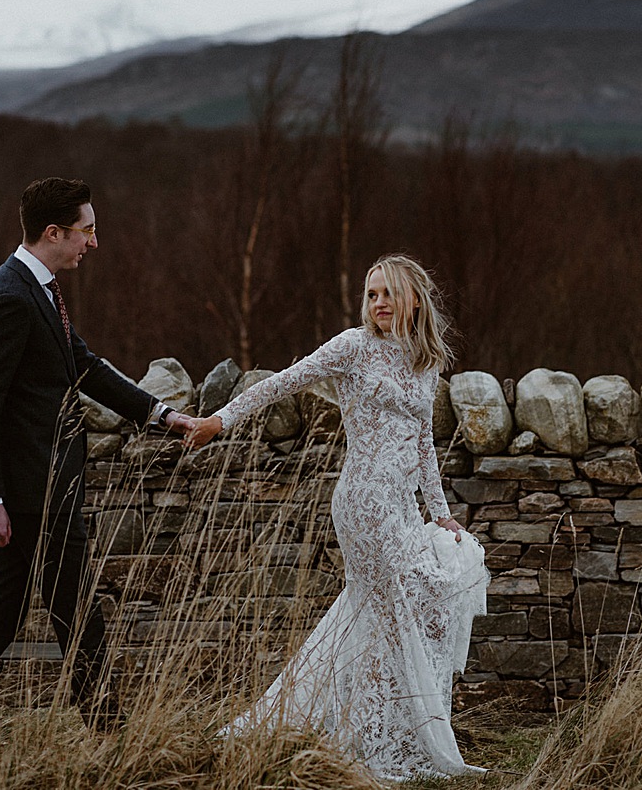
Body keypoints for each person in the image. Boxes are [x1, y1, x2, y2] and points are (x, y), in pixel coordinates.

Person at [0, 177, 193, 759]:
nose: (94, 242)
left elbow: (82, 364)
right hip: (36, 492)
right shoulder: (10, 296)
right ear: (53, 233)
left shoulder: (40, 289)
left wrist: (159, 414)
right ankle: (112, 737)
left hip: (47, 488)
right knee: (71, 616)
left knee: (16, 620)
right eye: (86, 231)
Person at [185, 254, 489, 781]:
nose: (378, 304)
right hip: (362, 503)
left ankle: (366, 725)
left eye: (388, 294)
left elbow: (423, 445)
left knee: (383, 613)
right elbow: (282, 382)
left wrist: (439, 515)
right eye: (371, 295)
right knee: (393, 608)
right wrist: (220, 418)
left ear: (414, 298)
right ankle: (376, 736)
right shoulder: (353, 348)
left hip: (401, 506)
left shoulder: (426, 360)